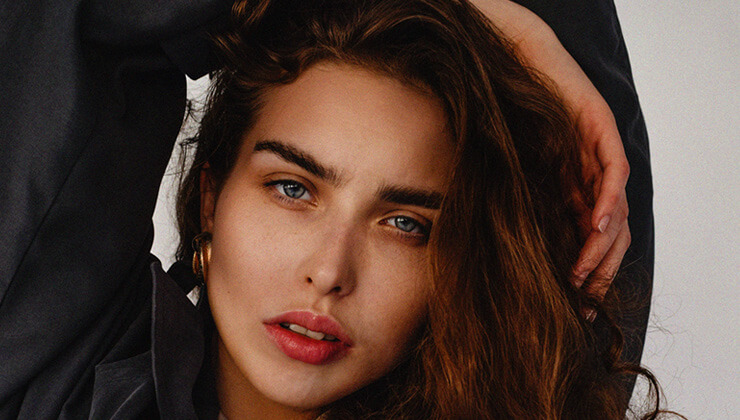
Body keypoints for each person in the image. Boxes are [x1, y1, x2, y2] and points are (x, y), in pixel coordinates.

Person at [0, 0, 655, 419]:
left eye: (405, 224)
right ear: (211, 196)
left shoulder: (532, 397)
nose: (330, 271)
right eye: (293, 188)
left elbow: (591, 203)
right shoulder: (59, 384)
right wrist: (488, 12)